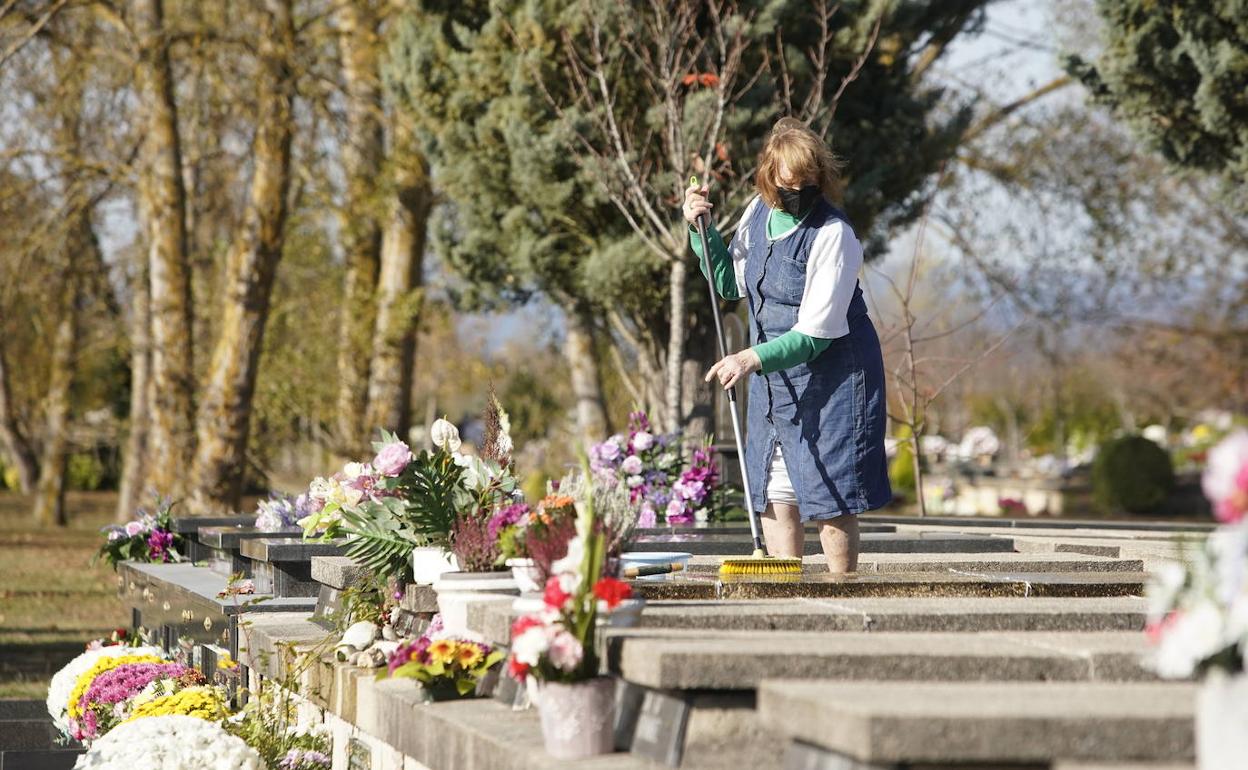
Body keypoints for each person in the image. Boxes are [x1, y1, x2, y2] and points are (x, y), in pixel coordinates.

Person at [682, 117, 892, 573]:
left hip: (835, 377)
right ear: (769, 179)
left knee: (829, 491)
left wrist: (750, 357)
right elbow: (728, 280)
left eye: (810, 184)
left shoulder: (834, 235)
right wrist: (703, 232)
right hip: (771, 375)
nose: (800, 193)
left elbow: (816, 334)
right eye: (789, 185)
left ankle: (843, 592)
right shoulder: (758, 213)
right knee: (776, 487)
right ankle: (786, 591)